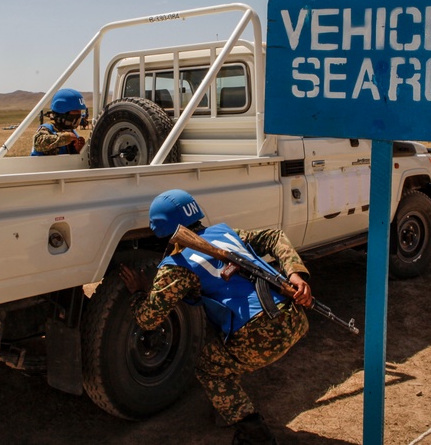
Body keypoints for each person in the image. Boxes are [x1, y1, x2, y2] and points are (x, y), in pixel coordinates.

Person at [119, 189, 312, 445]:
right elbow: (274, 236)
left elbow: (148, 320)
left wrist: (138, 292)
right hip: (294, 317)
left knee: (210, 367)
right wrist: (295, 274)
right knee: (219, 336)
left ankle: (254, 434)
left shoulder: (176, 266)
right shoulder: (226, 233)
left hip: (260, 336)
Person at [31, 88, 87, 156]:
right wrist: (65, 138)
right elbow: (38, 143)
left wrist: (78, 150)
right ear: (63, 112)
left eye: (80, 111)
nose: (79, 115)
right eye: (76, 111)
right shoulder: (48, 128)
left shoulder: (72, 132)